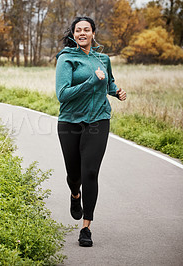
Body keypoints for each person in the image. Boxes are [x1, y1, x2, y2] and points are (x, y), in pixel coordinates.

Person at [55, 16, 127, 247]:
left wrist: (116, 92)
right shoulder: (66, 59)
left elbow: (108, 83)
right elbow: (62, 94)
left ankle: (86, 227)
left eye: (87, 29)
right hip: (70, 122)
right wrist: (91, 83)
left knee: (91, 173)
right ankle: (75, 195)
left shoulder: (103, 59)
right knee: (74, 174)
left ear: (93, 33)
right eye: (78, 30)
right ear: (74, 34)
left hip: (98, 119)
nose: (83, 33)